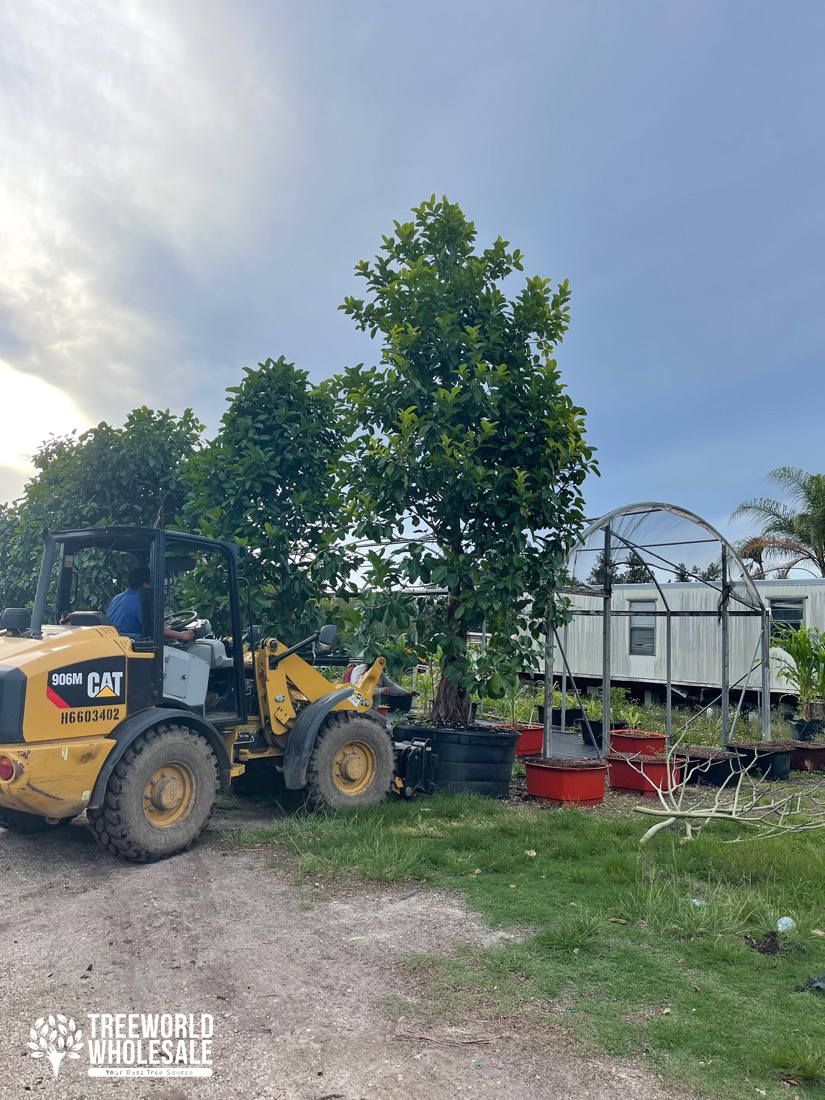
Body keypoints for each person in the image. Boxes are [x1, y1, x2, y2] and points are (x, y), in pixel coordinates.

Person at [107, 566, 194, 642]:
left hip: (117, 642)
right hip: (133, 645)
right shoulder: (141, 601)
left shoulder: (117, 598)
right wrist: (182, 635)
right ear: (146, 585)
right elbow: (156, 629)